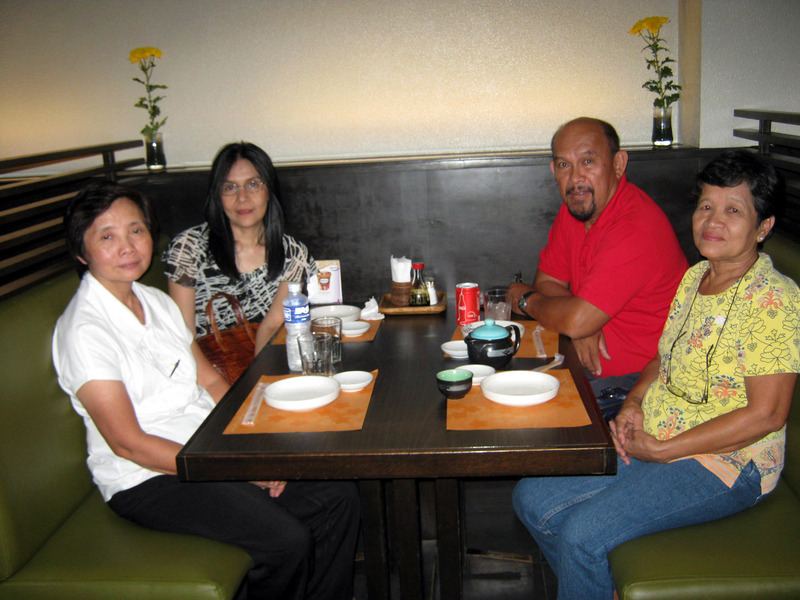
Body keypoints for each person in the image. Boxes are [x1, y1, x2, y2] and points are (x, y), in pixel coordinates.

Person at [512, 149, 800, 600]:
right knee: (532, 498)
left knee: (582, 535)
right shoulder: (695, 278)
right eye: (706, 206)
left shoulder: (774, 300)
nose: (713, 221)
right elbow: (664, 357)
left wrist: (665, 450)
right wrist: (633, 403)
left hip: (728, 463)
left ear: (763, 227)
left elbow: (767, 415)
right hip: (662, 432)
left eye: (733, 210)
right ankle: (598, 587)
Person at [52, 182, 359, 600]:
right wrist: (235, 468)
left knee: (336, 495)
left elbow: (210, 380)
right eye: (107, 237)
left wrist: (256, 445)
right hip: (149, 479)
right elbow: (128, 444)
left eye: (136, 231)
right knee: (283, 541)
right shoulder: (85, 331)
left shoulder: (154, 302)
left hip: (207, 449)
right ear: (81, 252)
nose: (127, 246)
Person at [508, 117, 688, 419]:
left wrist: (529, 301)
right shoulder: (576, 210)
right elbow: (549, 282)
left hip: (641, 385)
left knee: (524, 420)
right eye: (564, 165)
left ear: (618, 164)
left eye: (588, 161)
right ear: (553, 171)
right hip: (589, 370)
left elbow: (566, 312)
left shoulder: (635, 227)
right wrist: (577, 322)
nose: (576, 178)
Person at [164, 142, 317, 354]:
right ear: (217, 195)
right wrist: (219, 385)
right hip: (201, 373)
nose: (242, 198)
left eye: (253, 184)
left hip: (261, 365)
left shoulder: (293, 253)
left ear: (269, 190)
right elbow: (183, 337)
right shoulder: (188, 248)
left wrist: (256, 381)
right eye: (230, 187)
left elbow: (272, 327)